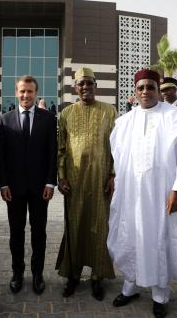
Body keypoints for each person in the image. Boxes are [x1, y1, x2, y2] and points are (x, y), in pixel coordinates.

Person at [108, 69, 177, 318]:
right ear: (135, 92)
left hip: (161, 194)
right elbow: (119, 159)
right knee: (130, 236)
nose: (145, 91)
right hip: (131, 195)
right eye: (141, 88)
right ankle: (129, 287)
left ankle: (160, 294)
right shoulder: (124, 122)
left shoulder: (175, 117)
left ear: (159, 90)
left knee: (159, 239)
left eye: (150, 87)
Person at [56, 67, 116, 301]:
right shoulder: (66, 114)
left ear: (95, 86)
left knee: (99, 228)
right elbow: (61, 149)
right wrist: (61, 176)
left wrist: (112, 174)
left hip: (100, 180)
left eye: (89, 83)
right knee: (75, 226)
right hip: (75, 181)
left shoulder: (109, 112)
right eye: (81, 84)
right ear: (75, 87)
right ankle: (72, 275)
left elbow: (116, 149)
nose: (85, 87)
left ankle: (97, 277)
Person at [0, 75, 57, 295]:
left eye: (30, 91)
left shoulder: (49, 119)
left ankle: (38, 274)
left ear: (36, 93)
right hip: (14, 190)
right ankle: (17, 273)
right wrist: (3, 184)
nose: (26, 95)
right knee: (16, 233)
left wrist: (51, 182)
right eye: (22, 91)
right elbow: (0, 156)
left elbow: (52, 153)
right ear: (16, 92)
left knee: (39, 233)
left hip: (41, 189)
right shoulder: (5, 119)